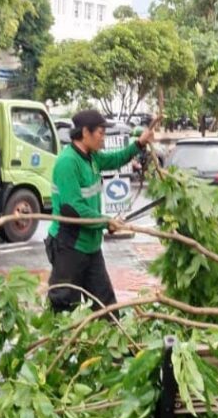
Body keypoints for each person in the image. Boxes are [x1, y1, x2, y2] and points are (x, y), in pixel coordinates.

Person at [46, 110, 154, 312]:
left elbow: (115, 159)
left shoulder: (92, 157)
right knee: (64, 308)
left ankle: (113, 338)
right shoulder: (67, 162)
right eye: (101, 133)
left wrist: (139, 143)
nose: (104, 137)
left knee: (106, 308)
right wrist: (106, 221)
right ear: (85, 132)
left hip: (91, 248)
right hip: (69, 247)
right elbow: (73, 210)